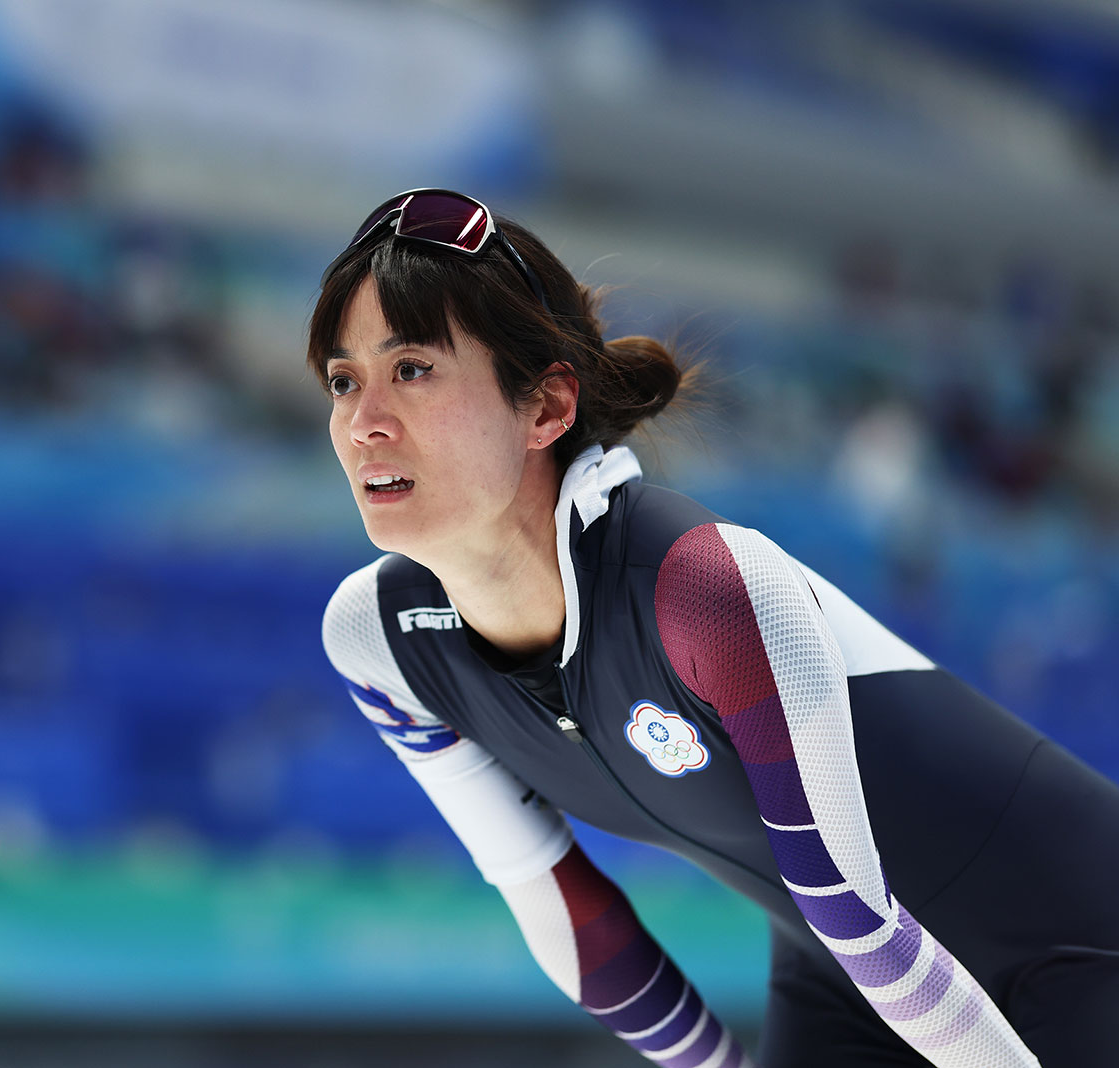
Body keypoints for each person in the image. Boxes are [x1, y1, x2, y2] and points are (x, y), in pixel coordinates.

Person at [311, 189, 1119, 1067]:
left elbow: (859, 913)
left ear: (546, 408)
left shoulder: (703, 589)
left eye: (413, 370)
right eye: (343, 380)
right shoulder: (381, 639)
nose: (364, 423)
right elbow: (560, 907)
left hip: (1080, 944)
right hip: (845, 980)